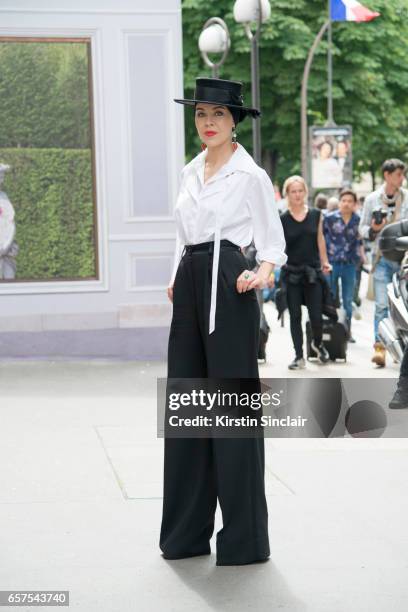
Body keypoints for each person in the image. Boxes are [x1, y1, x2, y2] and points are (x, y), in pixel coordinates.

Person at [160, 77, 287, 566]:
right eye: (200, 114)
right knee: (189, 408)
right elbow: (181, 233)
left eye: (217, 114)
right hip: (191, 283)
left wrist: (260, 273)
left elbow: (271, 237)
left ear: (235, 121)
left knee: (231, 413)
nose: (208, 123)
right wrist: (176, 275)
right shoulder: (191, 170)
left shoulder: (249, 174)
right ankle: (185, 534)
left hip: (229, 283)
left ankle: (244, 539)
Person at [279, 176, 332, 370]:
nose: (297, 195)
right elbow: (279, 246)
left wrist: (325, 262)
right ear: (288, 194)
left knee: (316, 315)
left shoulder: (316, 214)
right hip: (291, 273)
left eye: (300, 191)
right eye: (293, 191)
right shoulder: (282, 218)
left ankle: (317, 344)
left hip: (312, 272)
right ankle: (299, 356)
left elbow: (320, 240)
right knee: (295, 316)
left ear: (305, 193)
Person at [359, 158, 408, 367]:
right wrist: (374, 229)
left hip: (405, 259)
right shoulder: (372, 199)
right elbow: (361, 230)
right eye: (398, 174)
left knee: (403, 306)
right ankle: (380, 349)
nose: (402, 178)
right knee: (380, 306)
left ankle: (401, 347)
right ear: (387, 175)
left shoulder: (406, 197)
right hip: (381, 259)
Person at [323, 189, 363, 342]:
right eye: (344, 200)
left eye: (350, 201)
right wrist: (323, 260)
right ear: (339, 202)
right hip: (331, 263)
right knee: (331, 296)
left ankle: (347, 331)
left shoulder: (358, 220)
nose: (346, 204)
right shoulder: (329, 218)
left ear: (354, 204)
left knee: (348, 299)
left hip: (350, 264)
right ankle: (332, 328)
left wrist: (361, 256)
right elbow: (321, 239)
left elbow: (359, 240)